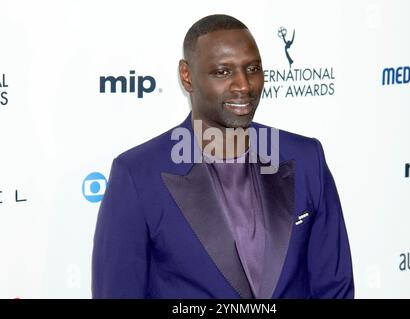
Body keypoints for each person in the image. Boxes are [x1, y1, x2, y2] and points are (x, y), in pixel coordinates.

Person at [92, 14, 354, 299]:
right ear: (187, 75)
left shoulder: (306, 159)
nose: (244, 85)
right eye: (223, 72)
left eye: (252, 68)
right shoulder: (138, 175)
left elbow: (335, 289)